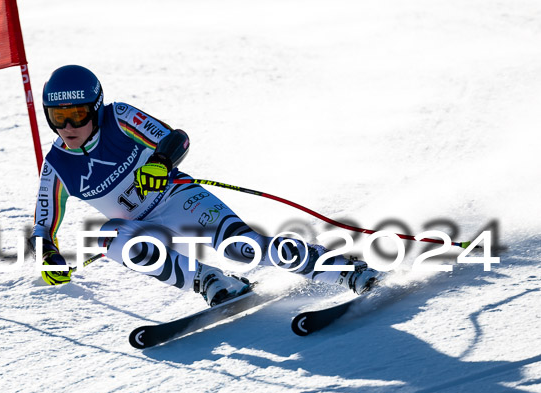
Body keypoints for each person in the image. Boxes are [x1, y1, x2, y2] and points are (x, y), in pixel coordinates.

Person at [29, 65, 380, 306]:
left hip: (180, 201)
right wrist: (48, 256)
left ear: (96, 106)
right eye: (58, 116)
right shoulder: (57, 166)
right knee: (107, 237)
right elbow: (43, 225)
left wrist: (160, 162)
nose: (68, 125)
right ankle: (211, 282)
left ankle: (344, 269)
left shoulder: (119, 117)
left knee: (243, 248)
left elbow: (176, 139)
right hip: (143, 227)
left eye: (77, 113)